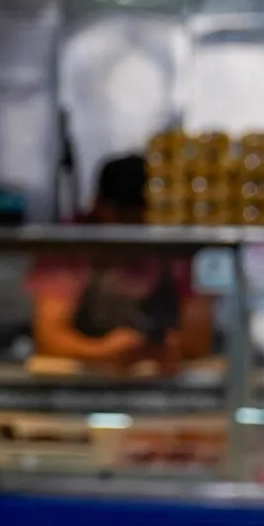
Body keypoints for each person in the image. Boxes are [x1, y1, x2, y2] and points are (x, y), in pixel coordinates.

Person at [26, 155, 213, 370]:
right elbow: (48, 337)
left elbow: (198, 338)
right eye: (123, 215)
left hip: (162, 380)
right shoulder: (71, 243)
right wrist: (102, 352)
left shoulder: (178, 247)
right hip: (82, 382)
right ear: (97, 206)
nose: (132, 228)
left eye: (140, 218)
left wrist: (165, 348)